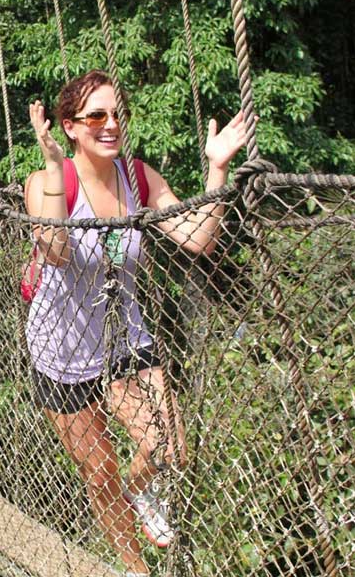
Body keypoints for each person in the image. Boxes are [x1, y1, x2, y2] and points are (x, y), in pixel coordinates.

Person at [25, 70, 249, 576]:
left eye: (115, 114)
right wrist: (54, 166)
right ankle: (133, 568)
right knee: (100, 471)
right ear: (70, 127)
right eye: (96, 116)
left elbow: (197, 238)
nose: (110, 124)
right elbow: (57, 252)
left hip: (123, 335)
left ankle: (142, 492)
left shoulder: (139, 177)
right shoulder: (44, 183)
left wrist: (216, 171)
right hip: (61, 347)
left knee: (169, 446)